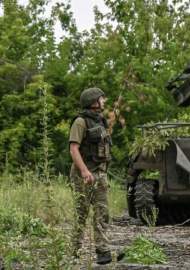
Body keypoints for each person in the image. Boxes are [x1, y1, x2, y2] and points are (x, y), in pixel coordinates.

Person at [69, 87, 124, 264]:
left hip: (100, 174)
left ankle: (103, 252)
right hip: (83, 175)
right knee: (81, 213)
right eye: (102, 98)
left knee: (102, 213)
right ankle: (74, 252)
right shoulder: (80, 122)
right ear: (94, 102)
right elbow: (73, 149)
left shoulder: (99, 120)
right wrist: (84, 171)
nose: (104, 101)